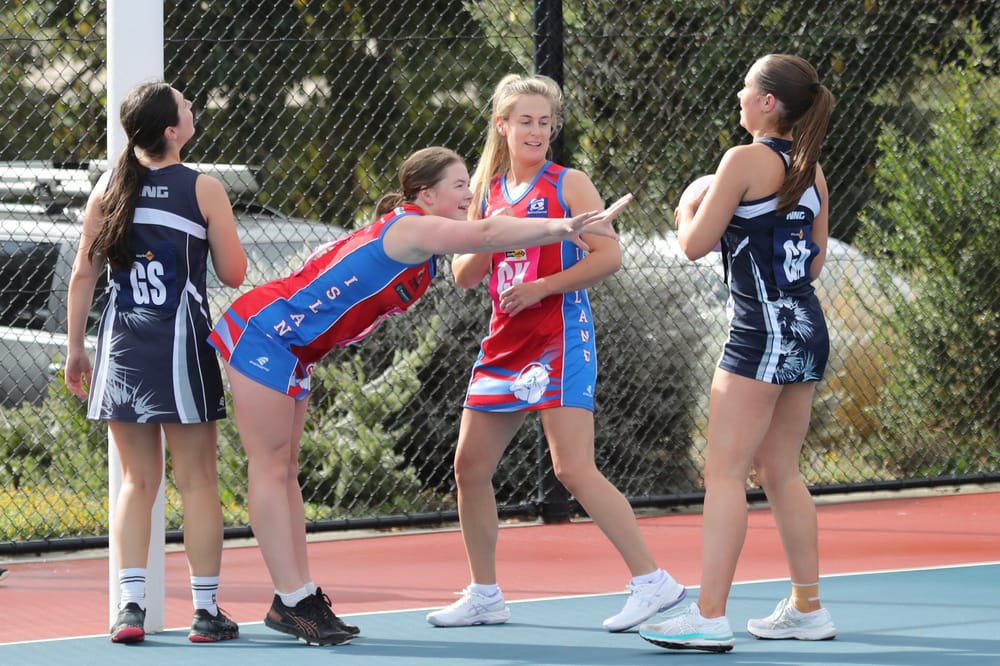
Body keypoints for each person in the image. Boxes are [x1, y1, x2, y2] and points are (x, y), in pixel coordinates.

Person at [206, 146, 630, 646]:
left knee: (286, 469)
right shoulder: (410, 228)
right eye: (458, 187)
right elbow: (489, 233)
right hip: (266, 333)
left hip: (296, 348)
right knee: (271, 466)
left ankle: (298, 597)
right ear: (426, 196)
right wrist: (563, 226)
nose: (469, 195)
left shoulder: (422, 244)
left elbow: (479, 251)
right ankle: (292, 598)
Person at [425, 74, 685, 633]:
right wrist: (485, 234)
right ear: (503, 124)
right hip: (504, 340)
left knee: (571, 467)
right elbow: (466, 275)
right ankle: (485, 594)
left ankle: (652, 582)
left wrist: (543, 285)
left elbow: (608, 258)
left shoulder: (570, 184)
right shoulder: (488, 190)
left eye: (545, 122)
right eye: (526, 121)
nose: (537, 131)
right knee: (469, 467)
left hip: (557, 335)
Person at [638, 54, 836, 653]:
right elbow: (817, 257)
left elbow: (694, 246)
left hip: (760, 330)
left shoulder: (742, 160)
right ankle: (807, 607)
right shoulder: (811, 169)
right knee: (779, 470)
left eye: (747, 87)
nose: (739, 95)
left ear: (770, 102)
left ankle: (708, 614)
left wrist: (686, 209)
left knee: (722, 473)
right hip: (805, 325)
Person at [64, 81, 247, 644]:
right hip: (181, 346)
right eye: (186, 106)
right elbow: (235, 274)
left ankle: (130, 608)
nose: (192, 109)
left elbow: (82, 276)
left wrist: (76, 349)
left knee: (136, 483)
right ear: (172, 131)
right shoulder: (204, 188)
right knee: (197, 482)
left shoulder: (109, 188)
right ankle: (205, 611)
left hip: (121, 348)